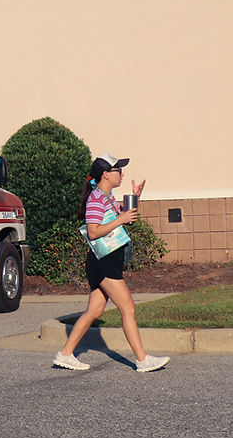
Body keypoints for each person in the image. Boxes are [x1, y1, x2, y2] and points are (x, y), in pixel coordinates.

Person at [53, 154, 170, 373]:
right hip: (104, 263)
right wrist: (121, 219)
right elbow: (93, 231)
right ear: (106, 174)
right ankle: (142, 360)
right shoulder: (96, 198)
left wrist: (135, 198)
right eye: (118, 170)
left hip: (105, 262)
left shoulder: (106, 196)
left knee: (94, 311)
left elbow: (120, 222)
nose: (122, 174)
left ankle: (65, 354)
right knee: (128, 308)